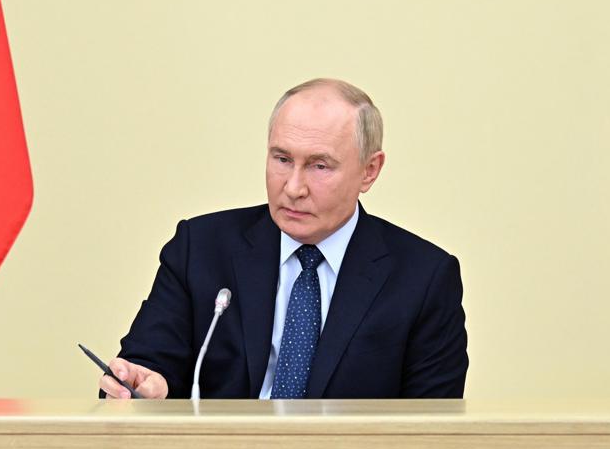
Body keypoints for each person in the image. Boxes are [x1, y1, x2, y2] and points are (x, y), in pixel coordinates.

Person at [99, 78, 468, 400]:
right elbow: (144, 366)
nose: (293, 188)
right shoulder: (200, 248)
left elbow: (431, 429)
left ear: (369, 171)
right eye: (281, 159)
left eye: (319, 166)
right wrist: (143, 386)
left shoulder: (424, 279)